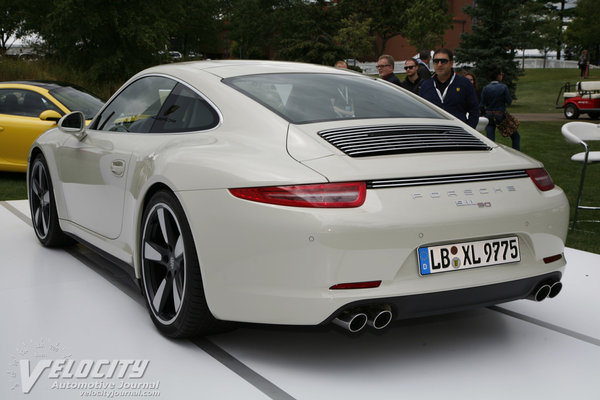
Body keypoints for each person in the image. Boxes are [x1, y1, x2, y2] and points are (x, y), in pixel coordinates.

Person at [418, 48, 479, 129]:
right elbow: (421, 112)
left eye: (443, 61)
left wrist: (468, 130)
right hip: (434, 135)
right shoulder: (426, 85)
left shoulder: (464, 84)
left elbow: (474, 111)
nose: (439, 64)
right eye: (436, 61)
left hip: (458, 135)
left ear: (451, 63)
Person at [480, 65, 520, 151]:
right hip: (501, 116)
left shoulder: (485, 88)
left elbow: (481, 105)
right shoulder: (503, 87)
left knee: (490, 141)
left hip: (489, 116)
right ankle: (517, 154)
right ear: (498, 75)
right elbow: (509, 101)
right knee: (516, 137)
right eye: (501, 74)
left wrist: (484, 114)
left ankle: (492, 157)